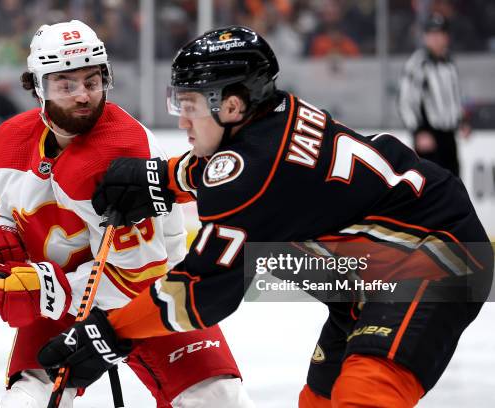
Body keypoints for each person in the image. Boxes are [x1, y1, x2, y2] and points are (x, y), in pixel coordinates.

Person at [38, 26, 493, 407]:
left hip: (433, 258)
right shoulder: (270, 122)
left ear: (232, 105)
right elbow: (235, 169)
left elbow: (197, 294)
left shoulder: (251, 172)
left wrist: (106, 333)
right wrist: (156, 180)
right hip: (371, 266)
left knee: (363, 394)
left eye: (189, 106)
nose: (182, 122)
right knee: (320, 400)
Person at [0, 20, 254, 408]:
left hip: (151, 298)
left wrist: (48, 289)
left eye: (93, 80)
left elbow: (138, 274)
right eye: (66, 84)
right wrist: (1, 238)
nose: (84, 95)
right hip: (65, 298)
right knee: (24, 402)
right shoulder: (8, 144)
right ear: (37, 87)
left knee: (219, 400)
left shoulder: (120, 150)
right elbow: (7, 213)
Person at [398, 13, 468, 177]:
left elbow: (454, 96)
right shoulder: (418, 64)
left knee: (454, 187)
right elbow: (405, 101)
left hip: (449, 137)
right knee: (431, 191)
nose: (435, 38)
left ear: (446, 37)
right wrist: (418, 131)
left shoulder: (449, 63)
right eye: (431, 34)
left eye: (439, 34)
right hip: (429, 137)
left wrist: (462, 121)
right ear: (425, 37)